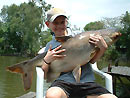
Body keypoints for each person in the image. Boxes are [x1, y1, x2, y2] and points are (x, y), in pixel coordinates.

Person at [42, 8, 117, 98]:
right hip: (62, 84)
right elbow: (45, 74)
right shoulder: (50, 45)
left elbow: (92, 61)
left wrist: (102, 48)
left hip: (87, 83)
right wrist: (46, 60)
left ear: (66, 22)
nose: (59, 26)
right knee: (52, 96)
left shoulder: (82, 37)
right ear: (47, 24)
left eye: (62, 22)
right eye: (55, 23)